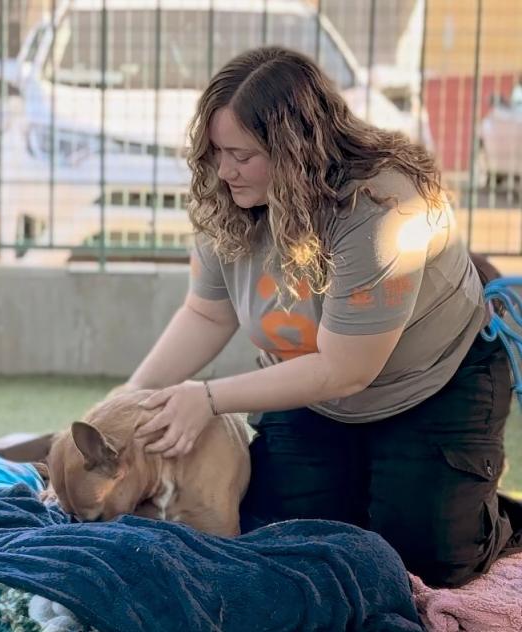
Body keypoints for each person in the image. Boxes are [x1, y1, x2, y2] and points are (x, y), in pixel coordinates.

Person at [123, 46, 520, 588]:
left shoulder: (382, 206)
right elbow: (206, 313)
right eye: (216, 151)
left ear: (293, 151)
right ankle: (403, 485)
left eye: (241, 154)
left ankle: (481, 509)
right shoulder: (228, 196)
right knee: (286, 539)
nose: (223, 170)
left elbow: (346, 369)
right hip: (314, 391)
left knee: (426, 564)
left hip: (434, 383)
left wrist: (208, 398)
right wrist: (127, 399)